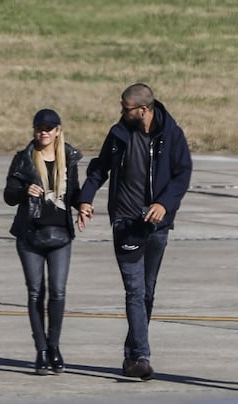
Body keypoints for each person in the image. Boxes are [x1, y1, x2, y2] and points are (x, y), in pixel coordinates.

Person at [77, 83, 192, 380]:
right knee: (135, 290)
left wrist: (164, 204)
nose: (121, 111)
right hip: (126, 223)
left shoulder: (171, 135)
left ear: (143, 109)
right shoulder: (118, 134)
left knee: (148, 291)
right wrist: (86, 198)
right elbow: (99, 168)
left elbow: (183, 173)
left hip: (157, 225)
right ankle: (141, 357)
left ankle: (131, 354)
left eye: (125, 107)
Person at [4, 108, 82, 375]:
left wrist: (84, 205)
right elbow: (9, 195)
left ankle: (55, 347)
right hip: (30, 236)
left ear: (58, 131)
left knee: (58, 292)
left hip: (61, 236)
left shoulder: (69, 159)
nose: (44, 132)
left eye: (49, 128)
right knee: (36, 292)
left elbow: (74, 193)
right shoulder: (23, 159)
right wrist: (24, 189)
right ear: (34, 130)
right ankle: (41, 350)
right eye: (39, 127)